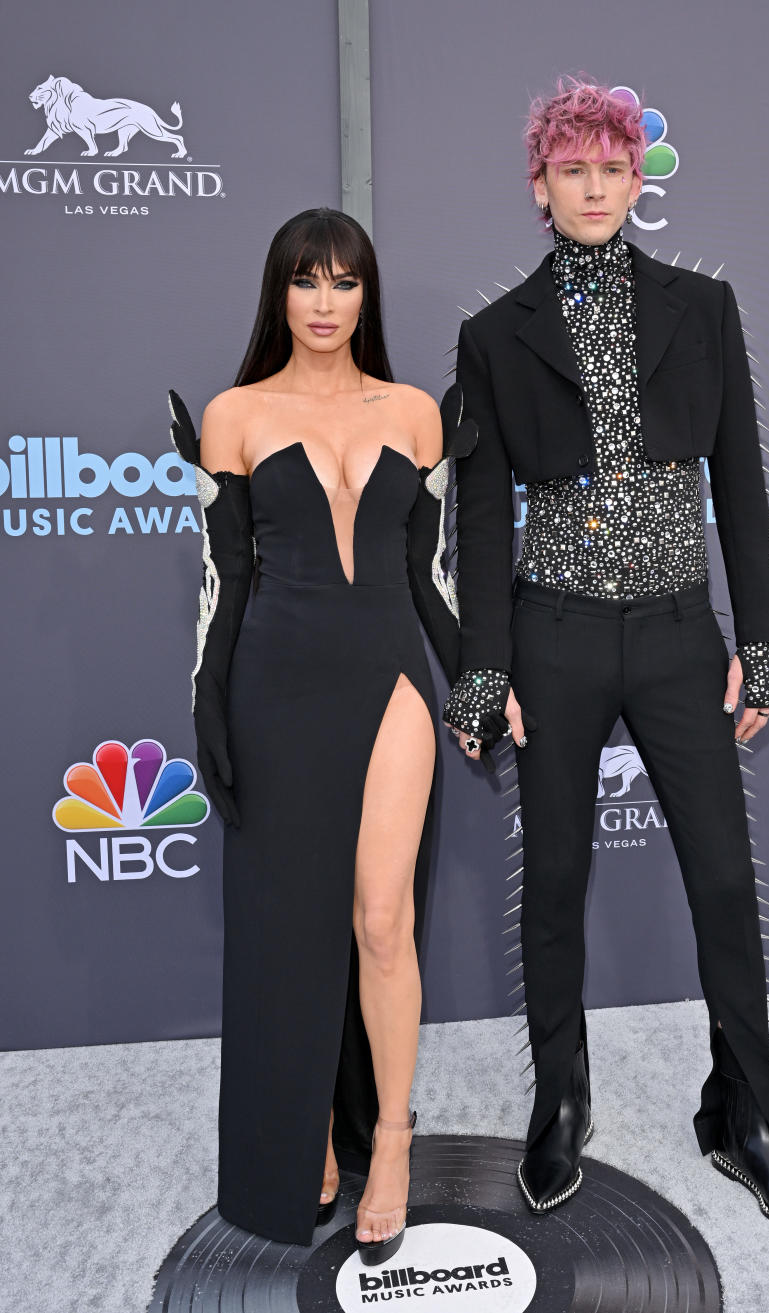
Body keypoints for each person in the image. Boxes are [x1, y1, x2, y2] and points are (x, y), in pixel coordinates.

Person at [443, 79, 769, 1237]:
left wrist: (757, 643)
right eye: (574, 168)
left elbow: (741, 493)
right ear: (541, 187)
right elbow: (476, 512)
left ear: (636, 177)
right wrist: (485, 666)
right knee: (555, 881)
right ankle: (561, 1101)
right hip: (553, 636)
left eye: (613, 165)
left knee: (723, 875)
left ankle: (747, 1118)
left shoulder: (702, 308)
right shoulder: (491, 335)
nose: (597, 184)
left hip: (677, 635)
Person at [169, 208, 471, 1262]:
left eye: (345, 282)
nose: (326, 302)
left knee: (383, 920)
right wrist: (208, 705)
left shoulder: (418, 412)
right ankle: (306, 1139)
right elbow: (224, 581)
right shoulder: (234, 413)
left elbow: (434, 581)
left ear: (366, 295)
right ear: (280, 294)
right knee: (292, 928)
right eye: (307, 281)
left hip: (389, 680)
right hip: (274, 685)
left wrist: (481, 678)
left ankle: (388, 1136)